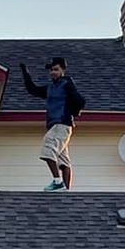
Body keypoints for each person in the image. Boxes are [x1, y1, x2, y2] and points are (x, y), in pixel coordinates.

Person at [21, 57, 86, 190]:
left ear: (63, 70)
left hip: (61, 123)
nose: (53, 72)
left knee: (48, 148)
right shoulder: (51, 88)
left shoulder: (67, 84)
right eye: (51, 70)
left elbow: (80, 101)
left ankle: (57, 182)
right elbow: (33, 90)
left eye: (56, 69)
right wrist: (25, 73)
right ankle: (66, 190)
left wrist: (74, 111)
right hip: (56, 126)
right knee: (63, 160)